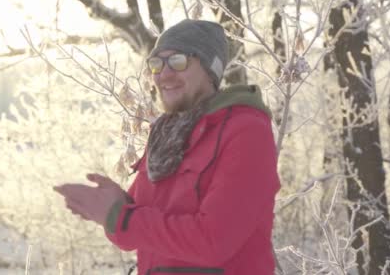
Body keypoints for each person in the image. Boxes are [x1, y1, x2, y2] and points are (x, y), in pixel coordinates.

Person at [54, 19, 280, 274]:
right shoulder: (165, 135)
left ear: (209, 70)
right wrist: (115, 204)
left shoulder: (245, 131)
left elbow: (213, 241)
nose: (164, 74)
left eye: (178, 61)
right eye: (157, 64)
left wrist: (120, 216)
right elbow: (134, 233)